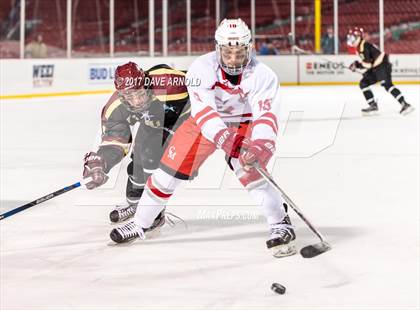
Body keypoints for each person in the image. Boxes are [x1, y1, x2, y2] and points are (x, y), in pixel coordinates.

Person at [109, 19, 297, 258]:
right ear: (218, 49)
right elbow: (204, 113)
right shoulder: (201, 68)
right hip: (204, 125)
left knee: (251, 172)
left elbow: (266, 116)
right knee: (166, 173)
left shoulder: (263, 75)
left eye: (239, 53)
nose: (233, 60)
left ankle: (280, 222)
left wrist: (261, 146)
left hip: (244, 122)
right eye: (228, 53)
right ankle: (140, 223)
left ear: (249, 49)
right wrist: (225, 138)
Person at [83, 62, 190, 224]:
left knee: (150, 155)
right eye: (129, 97)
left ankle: (155, 210)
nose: (137, 101)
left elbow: (205, 80)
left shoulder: (169, 81)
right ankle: (134, 203)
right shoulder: (115, 108)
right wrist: (102, 163)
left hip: (187, 123)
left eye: (139, 93)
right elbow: (115, 143)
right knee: (137, 163)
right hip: (155, 124)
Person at [347, 27, 414, 115]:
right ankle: (373, 105)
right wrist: (357, 65)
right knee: (363, 83)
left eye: (352, 37)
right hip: (376, 67)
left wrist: (357, 65)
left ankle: (405, 104)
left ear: (358, 37)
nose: (350, 40)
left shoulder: (363, 46)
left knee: (387, 85)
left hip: (382, 66)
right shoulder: (360, 46)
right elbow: (369, 62)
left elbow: (368, 64)